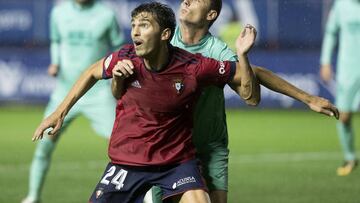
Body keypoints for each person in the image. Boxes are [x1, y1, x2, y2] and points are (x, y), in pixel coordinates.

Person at [32, 2, 263, 202]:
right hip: (128, 162)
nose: (135, 32)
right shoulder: (125, 58)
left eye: (144, 25)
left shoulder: (193, 66)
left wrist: (242, 55)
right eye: (133, 25)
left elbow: (250, 89)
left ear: (165, 34)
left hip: (176, 164)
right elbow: (92, 71)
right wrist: (59, 112)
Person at [119, 0, 340, 203]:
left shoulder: (219, 52)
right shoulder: (162, 40)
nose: (186, 1)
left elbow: (252, 93)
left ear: (211, 14)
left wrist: (308, 98)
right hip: (166, 149)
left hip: (209, 147)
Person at [22, 0, 124, 202]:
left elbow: (119, 46)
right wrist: (55, 62)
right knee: (44, 144)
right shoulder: (59, 13)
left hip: (98, 93)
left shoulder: (106, 15)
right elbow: (56, 40)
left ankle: (142, 194)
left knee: (124, 145)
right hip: (64, 91)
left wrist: (117, 73)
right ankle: (33, 196)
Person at [320, 0, 360, 176]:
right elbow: (330, 33)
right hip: (348, 69)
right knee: (344, 117)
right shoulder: (341, 5)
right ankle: (350, 158)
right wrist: (325, 61)